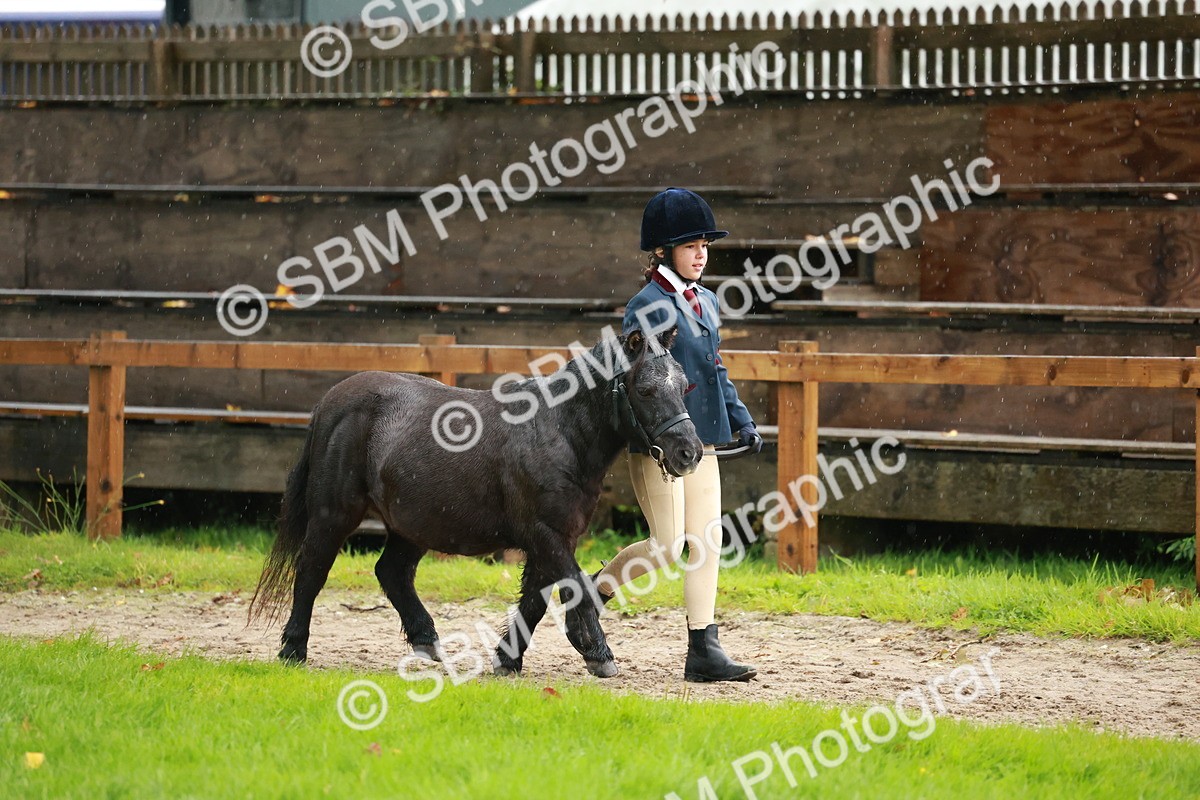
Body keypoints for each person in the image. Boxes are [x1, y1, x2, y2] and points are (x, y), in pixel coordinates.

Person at [593, 188, 763, 683]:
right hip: (661, 445)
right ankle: (594, 591)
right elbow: (643, 379)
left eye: (704, 246)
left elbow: (715, 369)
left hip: (703, 438)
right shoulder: (646, 306)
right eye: (691, 246)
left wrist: (742, 420)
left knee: (707, 541)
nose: (701, 255)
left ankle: (703, 648)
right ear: (663, 251)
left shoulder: (706, 300)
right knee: (667, 546)